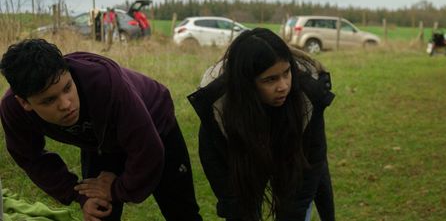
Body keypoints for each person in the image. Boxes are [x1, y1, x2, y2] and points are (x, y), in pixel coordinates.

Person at [0, 39, 203, 221]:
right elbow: (30, 157)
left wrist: (117, 189)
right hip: (99, 141)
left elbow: (148, 150)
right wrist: (77, 194)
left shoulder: (105, 82)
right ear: (25, 103)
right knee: (99, 211)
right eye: (49, 100)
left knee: (181, 212)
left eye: (67, 88)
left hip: (155, 123)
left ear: (69, 72)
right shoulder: (13, 110)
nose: (66, 104)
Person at [188, 28, 336, 221]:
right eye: (270, 79)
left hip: (295, 148)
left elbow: (312, 161)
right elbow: (218, 168)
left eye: (286, 73)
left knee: (303, 200)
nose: (283, 86)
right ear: (246, 83)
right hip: (246, 152)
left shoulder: (308, 95)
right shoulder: (217, 105)